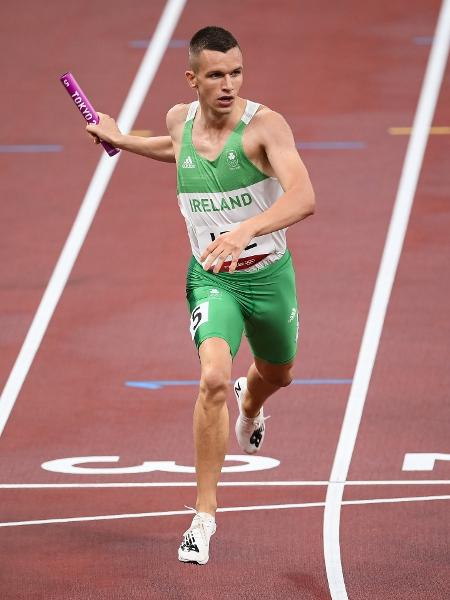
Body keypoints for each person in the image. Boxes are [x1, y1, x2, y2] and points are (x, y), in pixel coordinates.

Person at [86, 25, 315, 565]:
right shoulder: (178, 120)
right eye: (216, 75)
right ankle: (203, 516)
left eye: (236, 72)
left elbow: (304, 195)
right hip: (212, 278)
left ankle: (251, 403)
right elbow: (178, 147)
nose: (229, 84)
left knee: (278, 374)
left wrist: (246, 229)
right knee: (211, 376)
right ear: (193, 79)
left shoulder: (265, 128)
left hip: (267, 274)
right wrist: (121, 140)